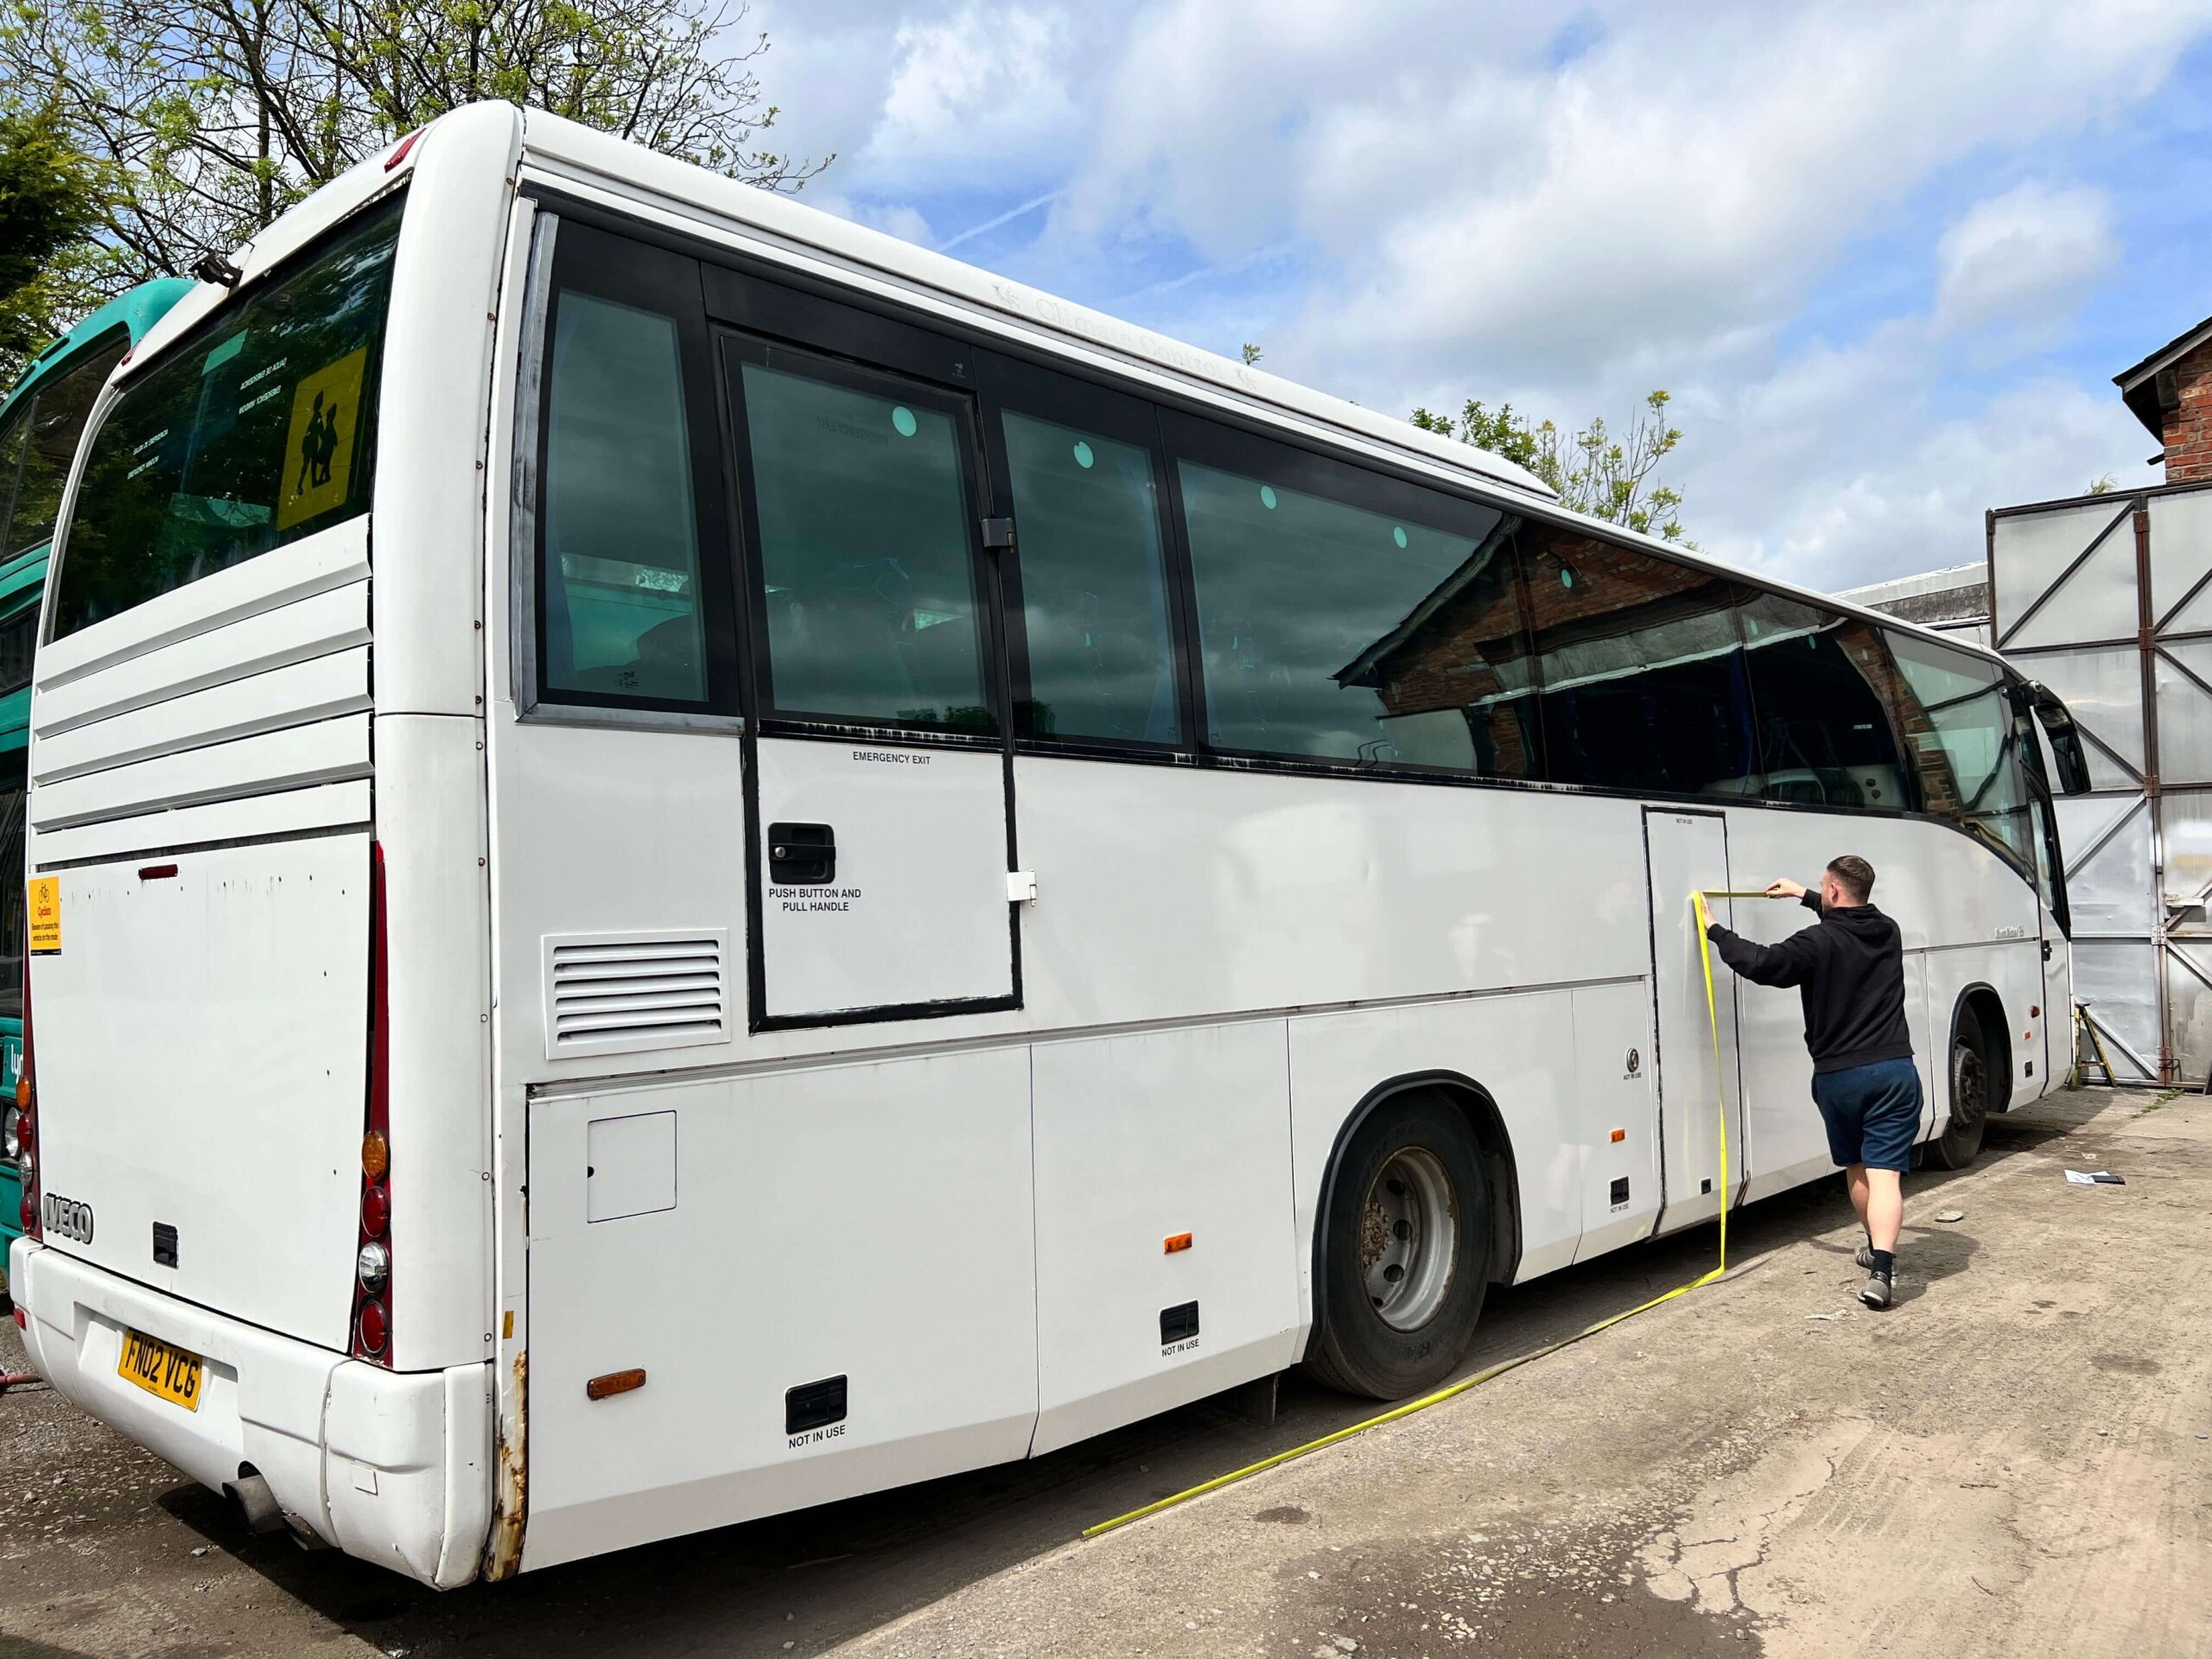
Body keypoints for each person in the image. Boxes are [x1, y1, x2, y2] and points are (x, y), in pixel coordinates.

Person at [1702, 855, 1920, 1309]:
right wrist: (1803, 894)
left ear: (1835, 892)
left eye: (1824, 888)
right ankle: (1882, 1267)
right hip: (1896, 1071)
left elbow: (1763, 964)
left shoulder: (1817, 942)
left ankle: (1875, 1248)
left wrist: (1715, 930)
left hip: (1840, 1077)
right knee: (1887, 1178)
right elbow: (1846, 916)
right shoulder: (1889, 930)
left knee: (1858, 1169)